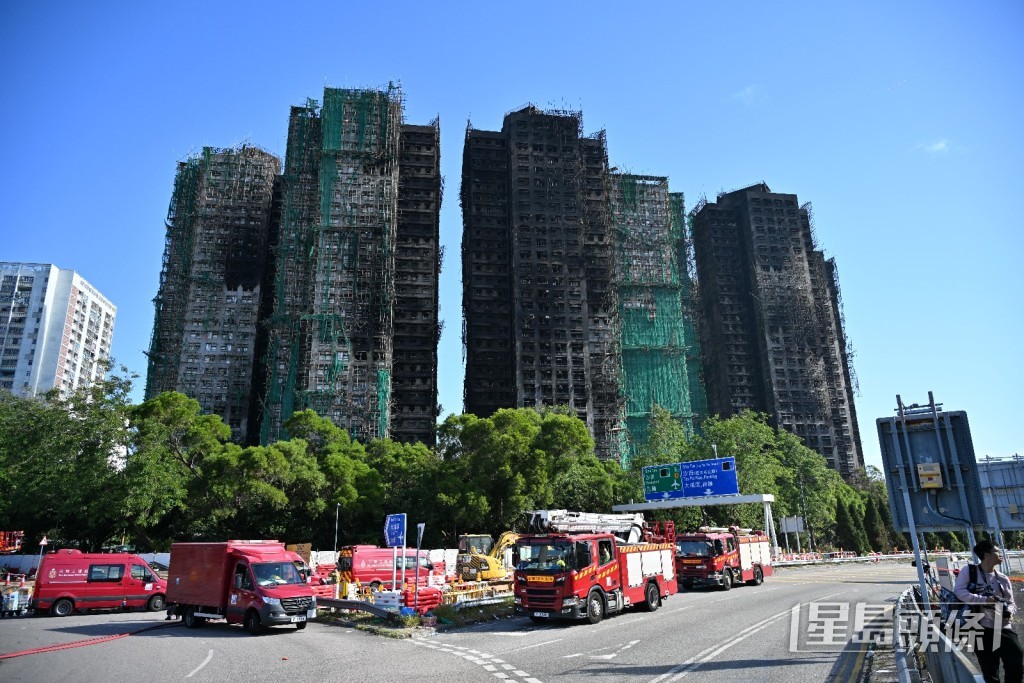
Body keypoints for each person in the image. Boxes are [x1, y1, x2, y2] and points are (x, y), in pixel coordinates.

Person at [953, 539, 1023, 683]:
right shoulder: (970, 571)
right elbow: (959, 592)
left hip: (1002, 626)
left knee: (1016, 662)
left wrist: (1009, 611)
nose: (1000, 554)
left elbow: (1011, 602)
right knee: (990, 670)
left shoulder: (1002, 578)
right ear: (987, 555)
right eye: (997, 551)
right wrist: (985, 600)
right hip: (979, 626)